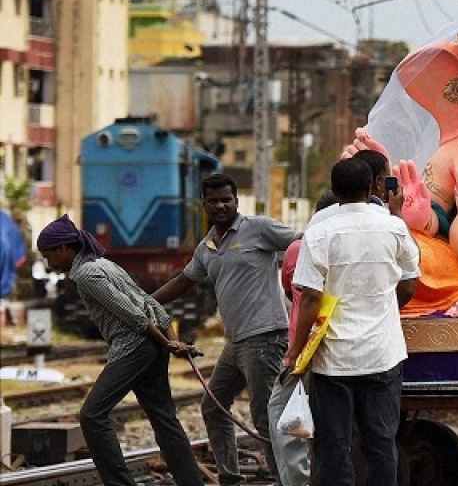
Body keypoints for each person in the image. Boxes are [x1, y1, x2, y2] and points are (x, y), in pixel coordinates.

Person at [152, 172, 300, 485]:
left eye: (226, 199)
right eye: (213, 200)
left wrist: (299, 288)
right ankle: (230, 477)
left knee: (266, 417)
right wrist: (147, 302)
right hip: (235, 343)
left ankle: (284, 479)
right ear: (203, 204)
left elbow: (302, 244)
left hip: (265, 338)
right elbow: (184, 280)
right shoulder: (207, 247)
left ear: (236, 201)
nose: (220, 205)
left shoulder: (258, 229)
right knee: (214, 407)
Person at [37, 214, 205, 486]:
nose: (48, 263)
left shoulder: (86, 274)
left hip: (133, 348)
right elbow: (151, 305)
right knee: (165, 420)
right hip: (151, 346)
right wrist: (171, 340)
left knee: (91, 416)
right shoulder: (104, 264)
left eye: (48, 256)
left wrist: (168, 343)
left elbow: (134, 316)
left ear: (63, 249)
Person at [284, 158, 420, 486]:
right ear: (371, 187)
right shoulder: (392, 225)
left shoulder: (318, 231)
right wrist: (385, 310)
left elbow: (310, 299)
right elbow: (410, 283)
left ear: (333, 190)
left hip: (333, 360)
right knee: (381, 442)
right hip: (382, 354)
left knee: (334, 445)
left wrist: (294, 352)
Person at [267, 190, 340, 486]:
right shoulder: (351, 244)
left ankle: (298, 481)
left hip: (307, 346)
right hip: (345, 343)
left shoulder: (299, 248)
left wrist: (293, 352)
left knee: (283, 414)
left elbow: (296, 294)